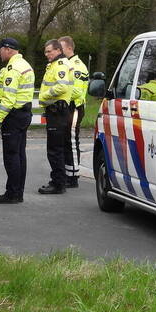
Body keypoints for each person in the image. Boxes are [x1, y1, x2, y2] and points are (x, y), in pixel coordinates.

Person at [0, 37, 35, 203]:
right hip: (23, 114)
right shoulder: (24, 65)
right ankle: (18, 193)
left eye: (0, 49)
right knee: (19, 155)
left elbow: (9, 99)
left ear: (8, 49)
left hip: (13, 116)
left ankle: (12, 194)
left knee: (11, 156)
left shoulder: (14, 69)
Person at [38, 39, 74, 194]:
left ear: (59, 50)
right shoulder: (53, 65)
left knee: (55, 149)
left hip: (57, 111)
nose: (47, 54)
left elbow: (62, 86)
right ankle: (59, 181)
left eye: (49, 51)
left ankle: (58, 183)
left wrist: (45, 96)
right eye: (45, 52)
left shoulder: (60, 66)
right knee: (56, 148)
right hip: (55, 111)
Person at [59, 36, 88, 188]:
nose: (59, 51)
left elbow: (76, 91)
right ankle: (67, 173)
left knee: (71, 141)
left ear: (69, 48)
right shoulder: (67, 64)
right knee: (65, 141)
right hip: (67, 107)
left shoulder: (77, 66)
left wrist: (59, 95)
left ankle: (74, 176)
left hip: (74, 108)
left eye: (61, 48)